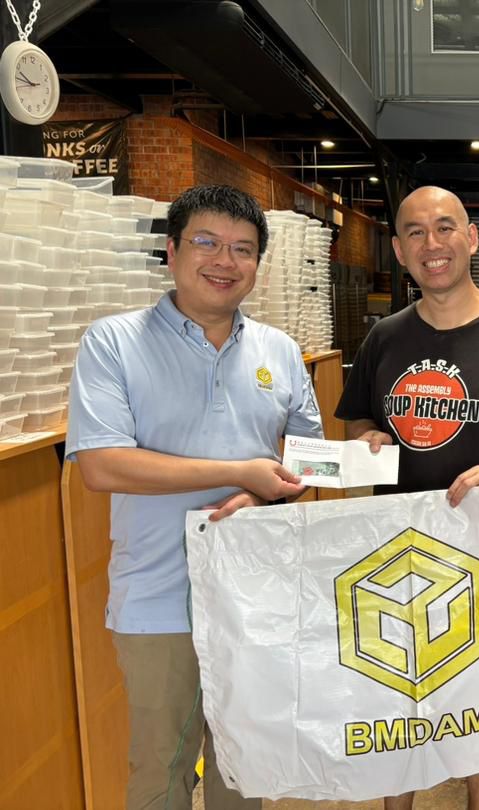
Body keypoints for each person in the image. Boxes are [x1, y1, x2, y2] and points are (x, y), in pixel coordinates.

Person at [66, 184, 324, 810]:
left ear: (258, 264)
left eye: (243, 249)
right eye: (207, 242)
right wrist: (243, 471)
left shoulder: (280, 350)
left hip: (253, 593)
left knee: (244, 767)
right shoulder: (112, 342)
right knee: (161, 770)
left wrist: (263, 498)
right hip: (158, 598)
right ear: (173, 250)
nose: (224, 261)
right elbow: (101, 464)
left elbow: (307, 458)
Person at [335, 185, 479, 810]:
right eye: (415, 232)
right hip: (395, 559)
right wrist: (368, 437)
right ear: (398, 250)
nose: (431, 244)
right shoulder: (384, 339)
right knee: (398, 704)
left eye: (444, 228)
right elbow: (356, 420)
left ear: (471, 238)